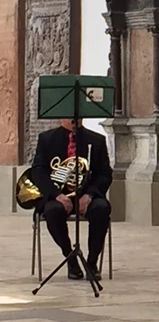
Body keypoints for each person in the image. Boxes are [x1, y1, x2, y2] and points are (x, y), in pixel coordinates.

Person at [31, 119, 112, 281]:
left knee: (101, 209)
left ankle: (92, 262)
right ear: (61, 117)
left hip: (87, 195)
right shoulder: (47, 139)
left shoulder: (96, 140)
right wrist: (56, 195)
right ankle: (70, 257)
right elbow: (38, 171)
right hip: (59, 196)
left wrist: (89, 195)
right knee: (52, 211)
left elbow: (104, 174)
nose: (74, 119)